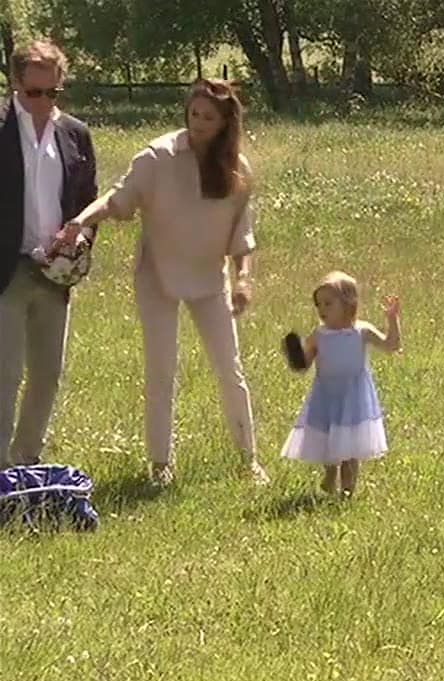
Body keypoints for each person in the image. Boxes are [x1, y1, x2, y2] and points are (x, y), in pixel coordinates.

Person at [55, 78, 268, 485]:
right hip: (158, 275)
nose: (199, 123)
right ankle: (160, 464)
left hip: (209, 277)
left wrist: (244, 280)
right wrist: (81, 220)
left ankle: (248, 460)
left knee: (229, 368)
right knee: (161, 367)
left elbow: (242, 235)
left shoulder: (237, 169)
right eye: (194, 114)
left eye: (209, 117)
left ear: (226, 122)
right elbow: (119, 198)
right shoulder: (158, 156)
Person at [0, 40, 97, 468]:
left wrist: (79, 243)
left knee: (47, 373)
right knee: (5, 374)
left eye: (52, 93)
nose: (42, 102)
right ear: (14, 84)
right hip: (7, 270)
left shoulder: (75, 134)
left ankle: (26, 460)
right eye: (33, 93)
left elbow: (87, 202)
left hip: (55, 276)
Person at [281, 271, 401, 496]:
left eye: (328, 303)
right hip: (326, 394)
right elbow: (304, 364)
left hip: (354, 396)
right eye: (319, 304)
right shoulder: (319, 334)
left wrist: (393, 320)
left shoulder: (361, 331)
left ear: (348, 303)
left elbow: (391, 345)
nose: (322, 309)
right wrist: (294, 353)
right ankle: (329, 474)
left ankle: (347, 490)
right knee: (329, 440)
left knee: (351, 445)